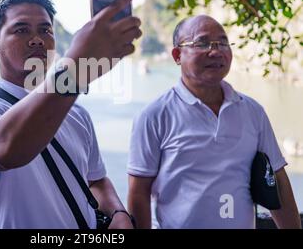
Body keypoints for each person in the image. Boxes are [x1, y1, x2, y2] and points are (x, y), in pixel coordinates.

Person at [0, 0, 141, 229]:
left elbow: (96, 180)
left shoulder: (76, 113)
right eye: (21, 30)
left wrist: (118, 213)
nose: (37, 39)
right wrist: (77, 70)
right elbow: (4, 148)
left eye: (45, 30)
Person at [127, 15, 301, 229]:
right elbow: (138, 193)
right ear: (177, 54)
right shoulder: (154, 116)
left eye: (223, 43)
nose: (216, 51)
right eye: (202, 43)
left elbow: (277, 179)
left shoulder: (252, 111)